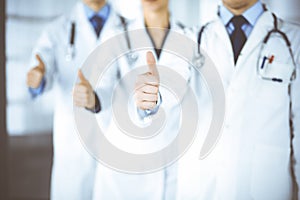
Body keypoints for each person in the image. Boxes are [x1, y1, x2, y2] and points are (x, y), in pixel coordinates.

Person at [177, 0, 300, 199]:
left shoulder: (294, 42)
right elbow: (162, 97)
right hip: (202, 189)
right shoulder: (189, 40)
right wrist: (149, 102)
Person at [89, 0, 198, 199]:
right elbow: (103, 86)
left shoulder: (189, 37)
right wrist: (92, 99)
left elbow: (183, 89)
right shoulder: (117, 35)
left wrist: (156, 99)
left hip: (169, 161)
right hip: (122, 164)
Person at [26, 0, 125, 199]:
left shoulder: (128, 29)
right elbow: (41, 69)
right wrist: (37, 78)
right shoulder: (57, 31)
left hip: (118, 143)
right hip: (73, 147)